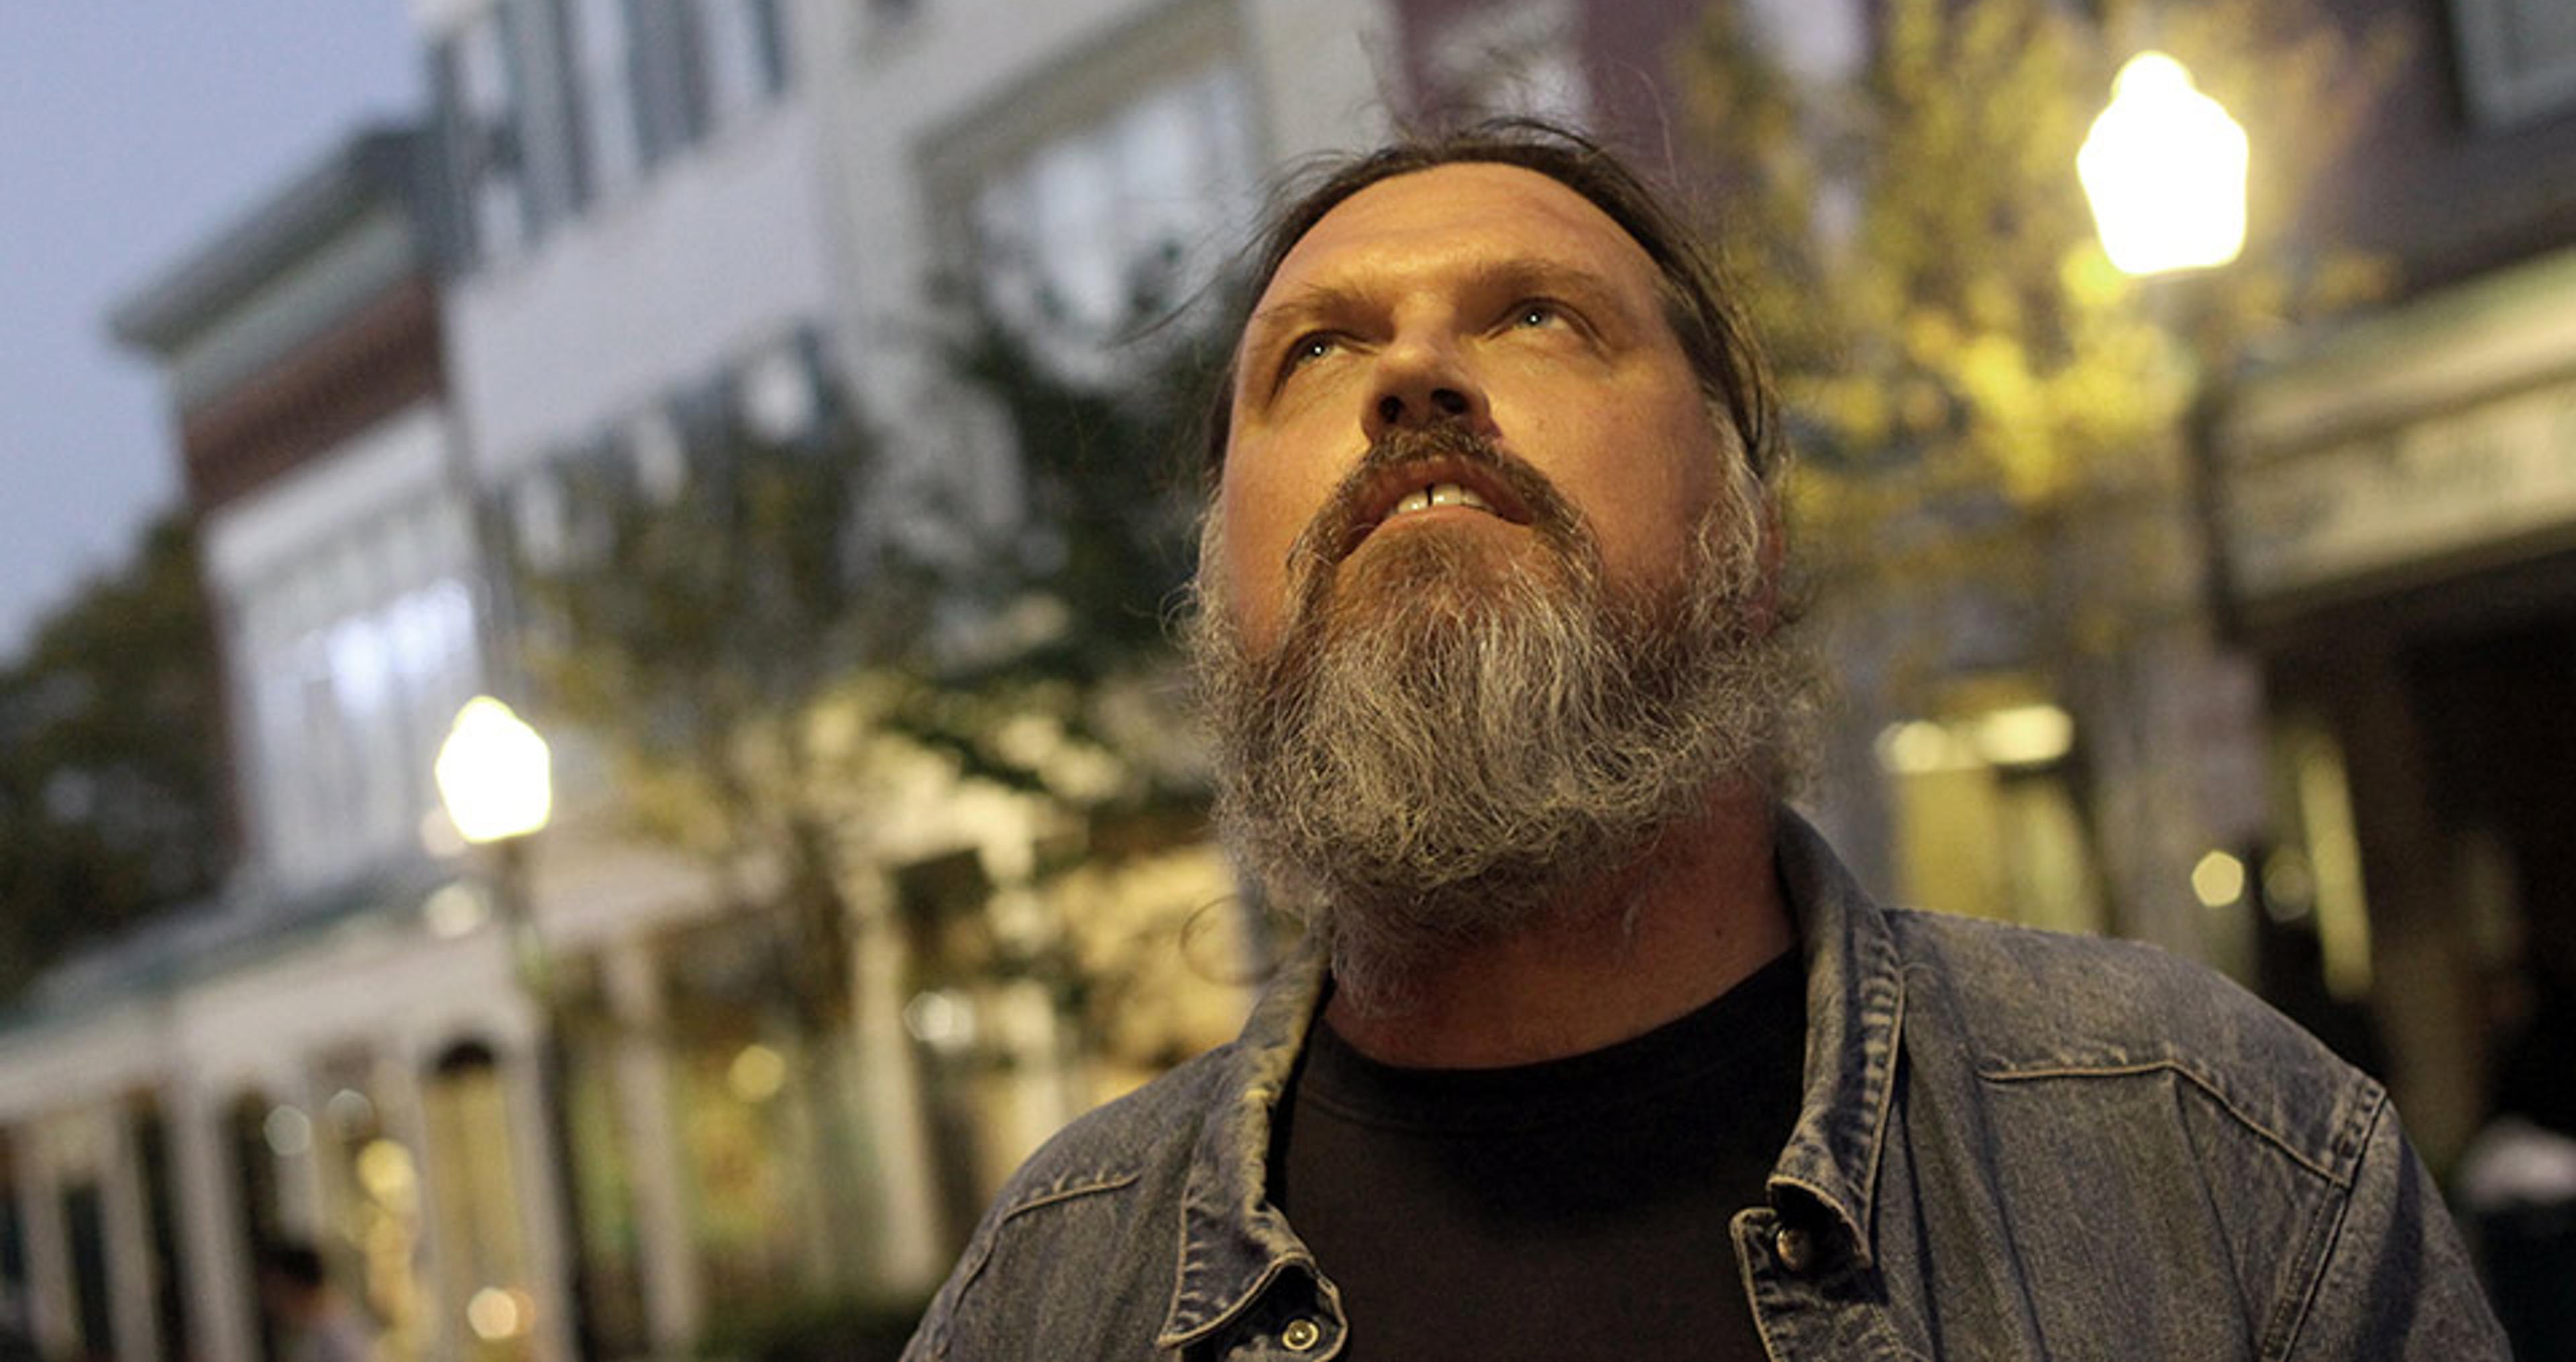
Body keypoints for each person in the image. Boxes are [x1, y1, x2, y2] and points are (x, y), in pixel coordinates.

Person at [900, 119, 2507, 1359]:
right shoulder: (1047, 1291)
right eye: (1312, 352)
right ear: (1217, 598)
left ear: (1756, 541)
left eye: (1534, 316)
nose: (1410, 375)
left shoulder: (2219, 1166)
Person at [256, 1241, 376, 1362]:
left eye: (278, 1289)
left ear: (296, 1287)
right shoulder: (314, 1327)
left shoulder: (337, 1334)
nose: (274, 1302)